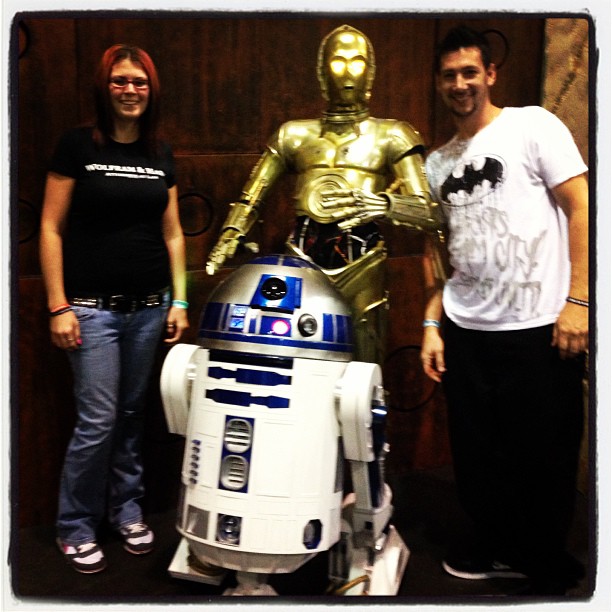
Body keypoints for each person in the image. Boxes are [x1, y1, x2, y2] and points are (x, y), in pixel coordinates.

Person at [420, 25, 589, 595]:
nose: (461, 84)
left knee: (544, 450)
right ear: (439, 84)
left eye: (470, 72)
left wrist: (580, 301)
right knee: (477, 452)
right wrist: (431, 322)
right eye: (450, 76)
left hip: (539, 324)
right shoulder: (437, 165)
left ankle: (542, 559)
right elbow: (434, 249)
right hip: (467, 326)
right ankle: (492, 545)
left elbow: (581, 205)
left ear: (490, 74)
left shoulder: (531, 125)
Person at [206, 24, 445, 366]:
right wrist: (232, 233)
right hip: (301, 257)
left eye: (357, 60)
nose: (348, 70)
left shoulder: (393, 135)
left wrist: (384, 203)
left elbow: (430, 212)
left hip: (361, 260)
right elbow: (252, 194)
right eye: (337, 61)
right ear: (321, 72)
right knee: (296, 363)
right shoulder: (293, 134)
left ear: (371, 72)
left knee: (363, 371)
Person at [39, 44, 189, 574]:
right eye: (121, 81)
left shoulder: (160, 153)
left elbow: (172, 234)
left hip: (150, 309)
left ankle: (125, 510)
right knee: (98, 420)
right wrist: (58, 306)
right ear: (105, 87)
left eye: (140, 82)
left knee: (131, 417)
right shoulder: (77, 145)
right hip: (91, 312)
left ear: (152, 91)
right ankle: (74, 525)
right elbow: (51, 229)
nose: (130, 91)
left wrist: (180, 299)